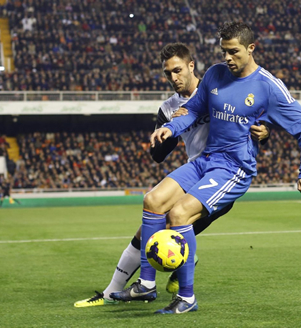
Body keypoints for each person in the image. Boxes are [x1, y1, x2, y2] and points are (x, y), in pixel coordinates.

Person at [111, 22, 301, 314]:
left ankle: (187, 298)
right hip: (206, 160)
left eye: (234, 52)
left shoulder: (267, 86)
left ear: (251, 49)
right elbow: (193, 109)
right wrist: (170, 129)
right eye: (224, 51)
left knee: (179, 213)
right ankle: (146, 284)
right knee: (153, 200)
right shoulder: (215, 74)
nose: (228, 58)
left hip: (234, 168)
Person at [74, 43, 270, 307]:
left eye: (178, 70)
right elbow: (157, 156)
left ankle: (172, 281)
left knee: (167, 227)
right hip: (194, 171)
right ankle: (120, 290)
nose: (173, 78)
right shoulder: (168, 108)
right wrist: (171, 128)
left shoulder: (218, 90)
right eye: (168, 74)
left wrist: (265, 132)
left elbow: (253, 120)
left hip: (221, 176)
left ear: (191, 66)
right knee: (149, 223)